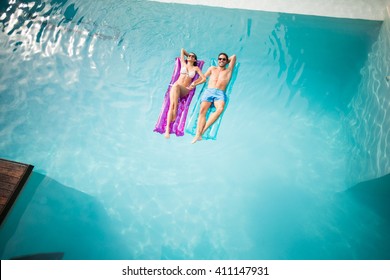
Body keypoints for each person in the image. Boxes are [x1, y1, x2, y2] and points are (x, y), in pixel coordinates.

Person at [191, 52, 236, 144]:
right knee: (202, 111)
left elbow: (234, 56)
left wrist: (227, 61)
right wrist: (194, 83)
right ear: (217, 60)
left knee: (220, 109)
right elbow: (203, 78)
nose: (221, 60)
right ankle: (197, 135)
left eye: (224, 59)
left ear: (226, 61)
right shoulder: (212, 68)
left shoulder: (229, 70)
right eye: (220, 59)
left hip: (220, 93)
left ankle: (201, 133)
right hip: (209, 91)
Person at [165, 48, 205, 139]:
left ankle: (175, 110)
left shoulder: (196, 68)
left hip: (184, 90)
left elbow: (204, 78)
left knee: (176, 87)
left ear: (195, 59)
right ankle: (167, 129)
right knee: (172, 105)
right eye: (189, 56)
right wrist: (188, 56)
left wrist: (194, 84)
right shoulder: (183, 63)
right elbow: (182, 50)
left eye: (193, 56)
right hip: (176, 87)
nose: (190, 57)